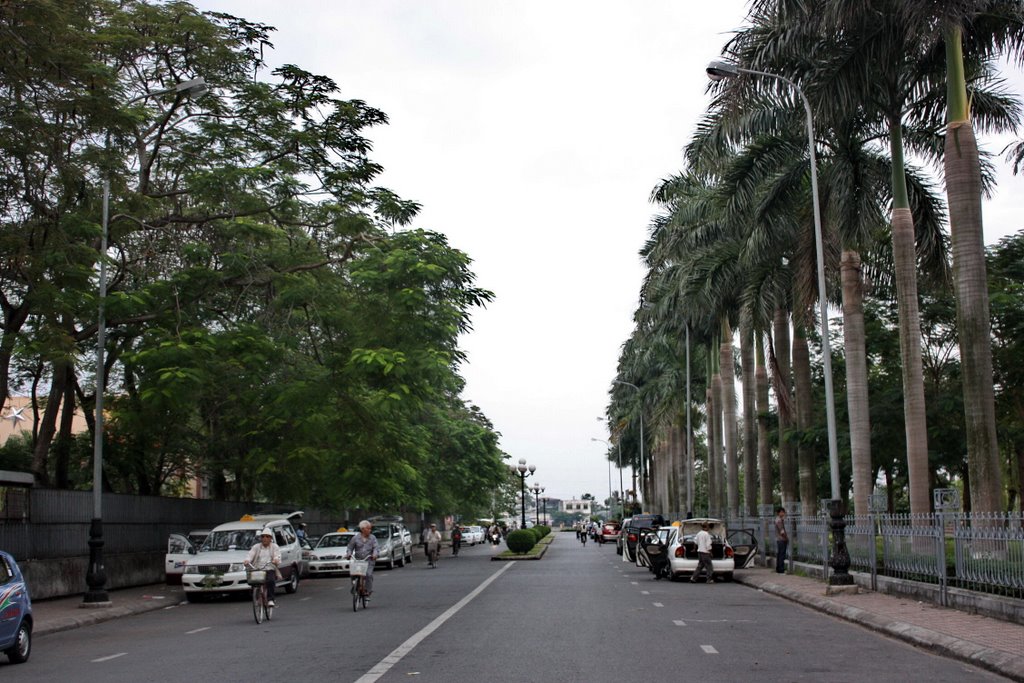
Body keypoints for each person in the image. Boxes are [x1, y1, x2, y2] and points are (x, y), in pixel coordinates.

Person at [246, 527, 281, 607]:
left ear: (270, 538)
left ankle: (270, 599)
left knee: (271, 581)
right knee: (253, 582)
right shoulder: (256, 547)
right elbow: (250, 554)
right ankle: (257, 596)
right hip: (257, 569)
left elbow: (277, 555)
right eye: (263, 536)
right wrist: (247, 560)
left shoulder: (274, 547)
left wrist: (275, 560)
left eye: (267, 536)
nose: (265, 538)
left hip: (269, 568)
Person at [346, 520, 379, 597]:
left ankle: (368, 590)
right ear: (362, 529)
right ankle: (355, 587)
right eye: (368, 529)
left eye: (370, 529)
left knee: (368, 574)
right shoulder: (355, 538)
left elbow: (376, 548)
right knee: (353, 574)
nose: (370, 530)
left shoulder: (373, 538)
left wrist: (374, 555)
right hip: (358, 560)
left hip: (369, 560)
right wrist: (349, 554)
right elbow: (350, 547)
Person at [775, 507, 789, 574]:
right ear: (779, 513)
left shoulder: (778, 520)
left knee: (779, 554)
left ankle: (778, 569)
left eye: (784, 512)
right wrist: (786, 538)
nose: (783, 513)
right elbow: (782, 531)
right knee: (781, 555)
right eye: (782, 512)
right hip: (781, 540)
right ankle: (781, 570)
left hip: (779, 539)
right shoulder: (779, 521)